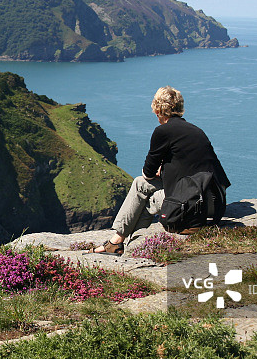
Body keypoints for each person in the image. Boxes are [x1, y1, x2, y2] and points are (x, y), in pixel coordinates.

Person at [88, 86, 230, 254]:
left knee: (141, 186)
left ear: (157, 109)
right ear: (179, 107)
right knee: (142, 187)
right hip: (213, 205)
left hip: (189, 209)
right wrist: (165, 171)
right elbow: (212, 175)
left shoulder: (162, 132)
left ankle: (118, 241)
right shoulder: (197, 131)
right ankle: (124, 240)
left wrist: (159, 170)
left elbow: (147, 173)